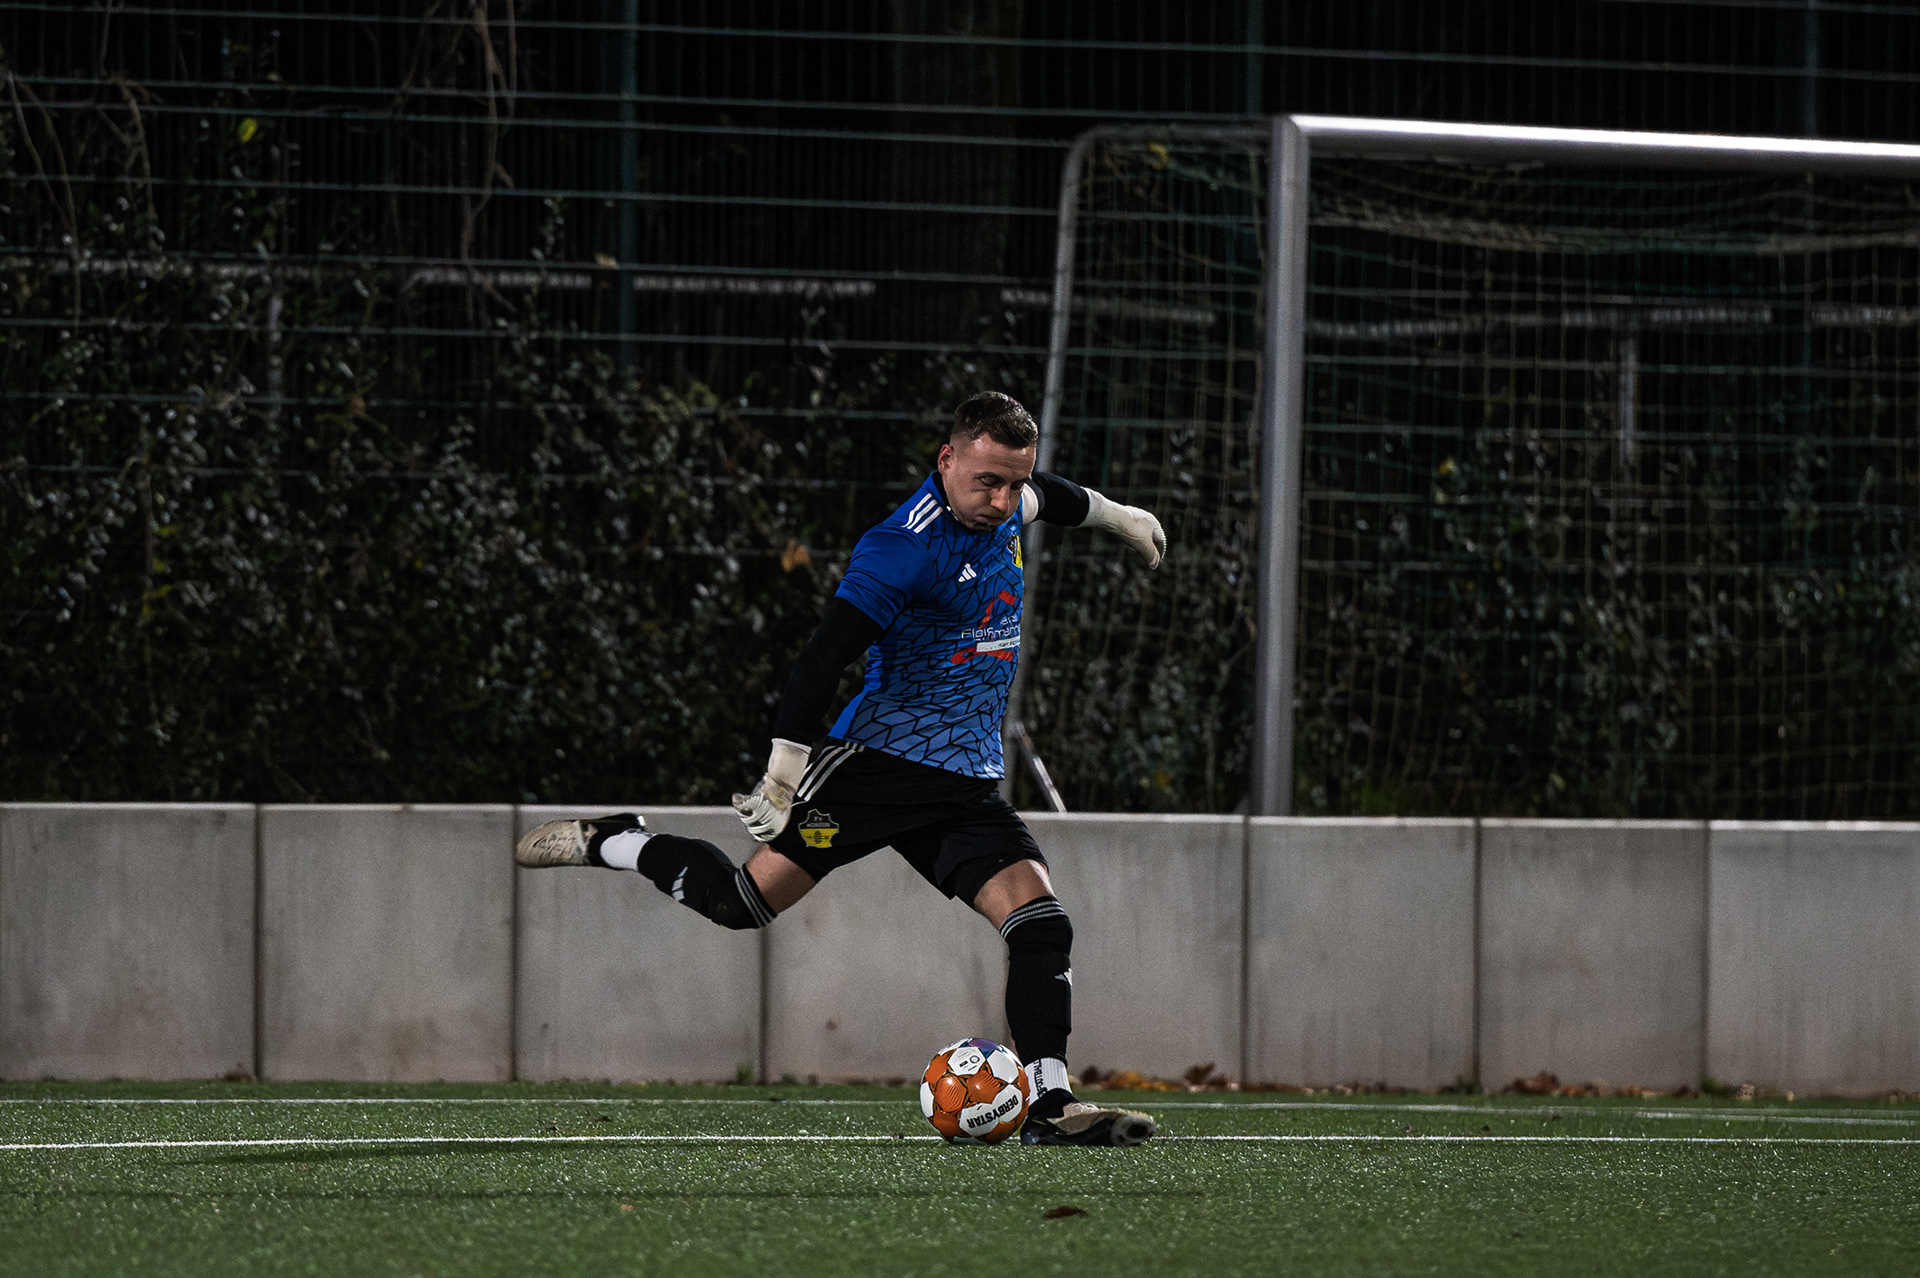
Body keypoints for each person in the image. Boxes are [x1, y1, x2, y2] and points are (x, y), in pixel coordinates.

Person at [516, 391, 1168, 1146]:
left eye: (1012, 482)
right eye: (987, 481)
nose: (1002, 500)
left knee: (1042, 925)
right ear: (946, 460)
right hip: (874, 768)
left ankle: (1049, 1106)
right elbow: (823, 657)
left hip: (962, 783)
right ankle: (618, 840)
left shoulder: (1006, 506)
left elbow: (1050, 496)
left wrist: (1117, 516)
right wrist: (783, 772)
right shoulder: (900, 548)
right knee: (740, 903)